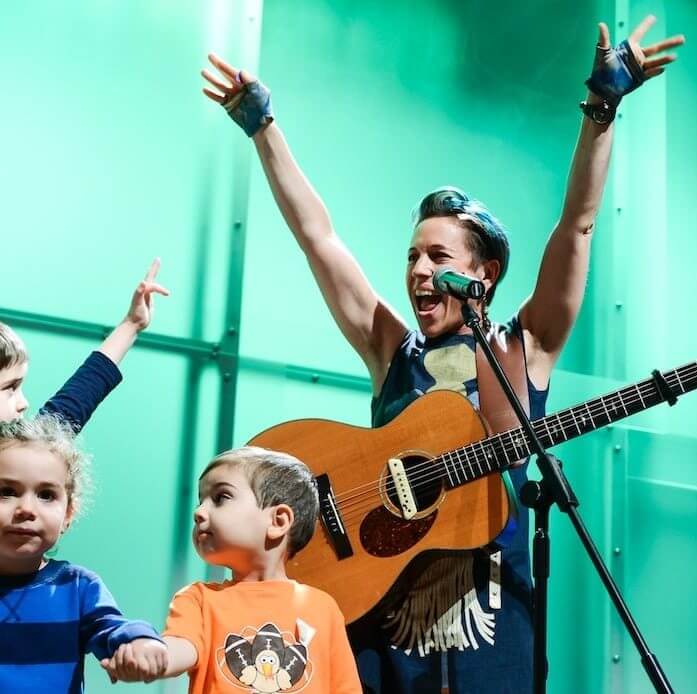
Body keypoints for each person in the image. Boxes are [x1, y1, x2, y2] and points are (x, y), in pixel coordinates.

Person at [200, 15, 684, 694]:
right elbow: (319, 239)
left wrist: (601, 111)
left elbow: (576, 225)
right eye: (411, 257)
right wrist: (262, 128)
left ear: (483, 274)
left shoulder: (523, 348)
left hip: (490, 625)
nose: (418, 271)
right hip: (380, 615)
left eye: (437, 257)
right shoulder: (390, 347)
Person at [102, 446, 362, 692]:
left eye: (220, 497)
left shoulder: (323, 608)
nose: (199, 512)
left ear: (278, 521)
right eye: (200, 501)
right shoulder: (198, 600)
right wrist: (152, 653)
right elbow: (181, 648)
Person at [0, 415, 167, 692]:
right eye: (7, 491)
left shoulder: (78, 586)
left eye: (46, 495)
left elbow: (111, 628)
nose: (27, 509)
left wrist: (138, 643)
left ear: (68, 514)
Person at [0, 257, 169, 427]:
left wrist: (132, 323)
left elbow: (72, 404)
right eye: (10, 387)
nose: (24, 403)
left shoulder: (22, 449)